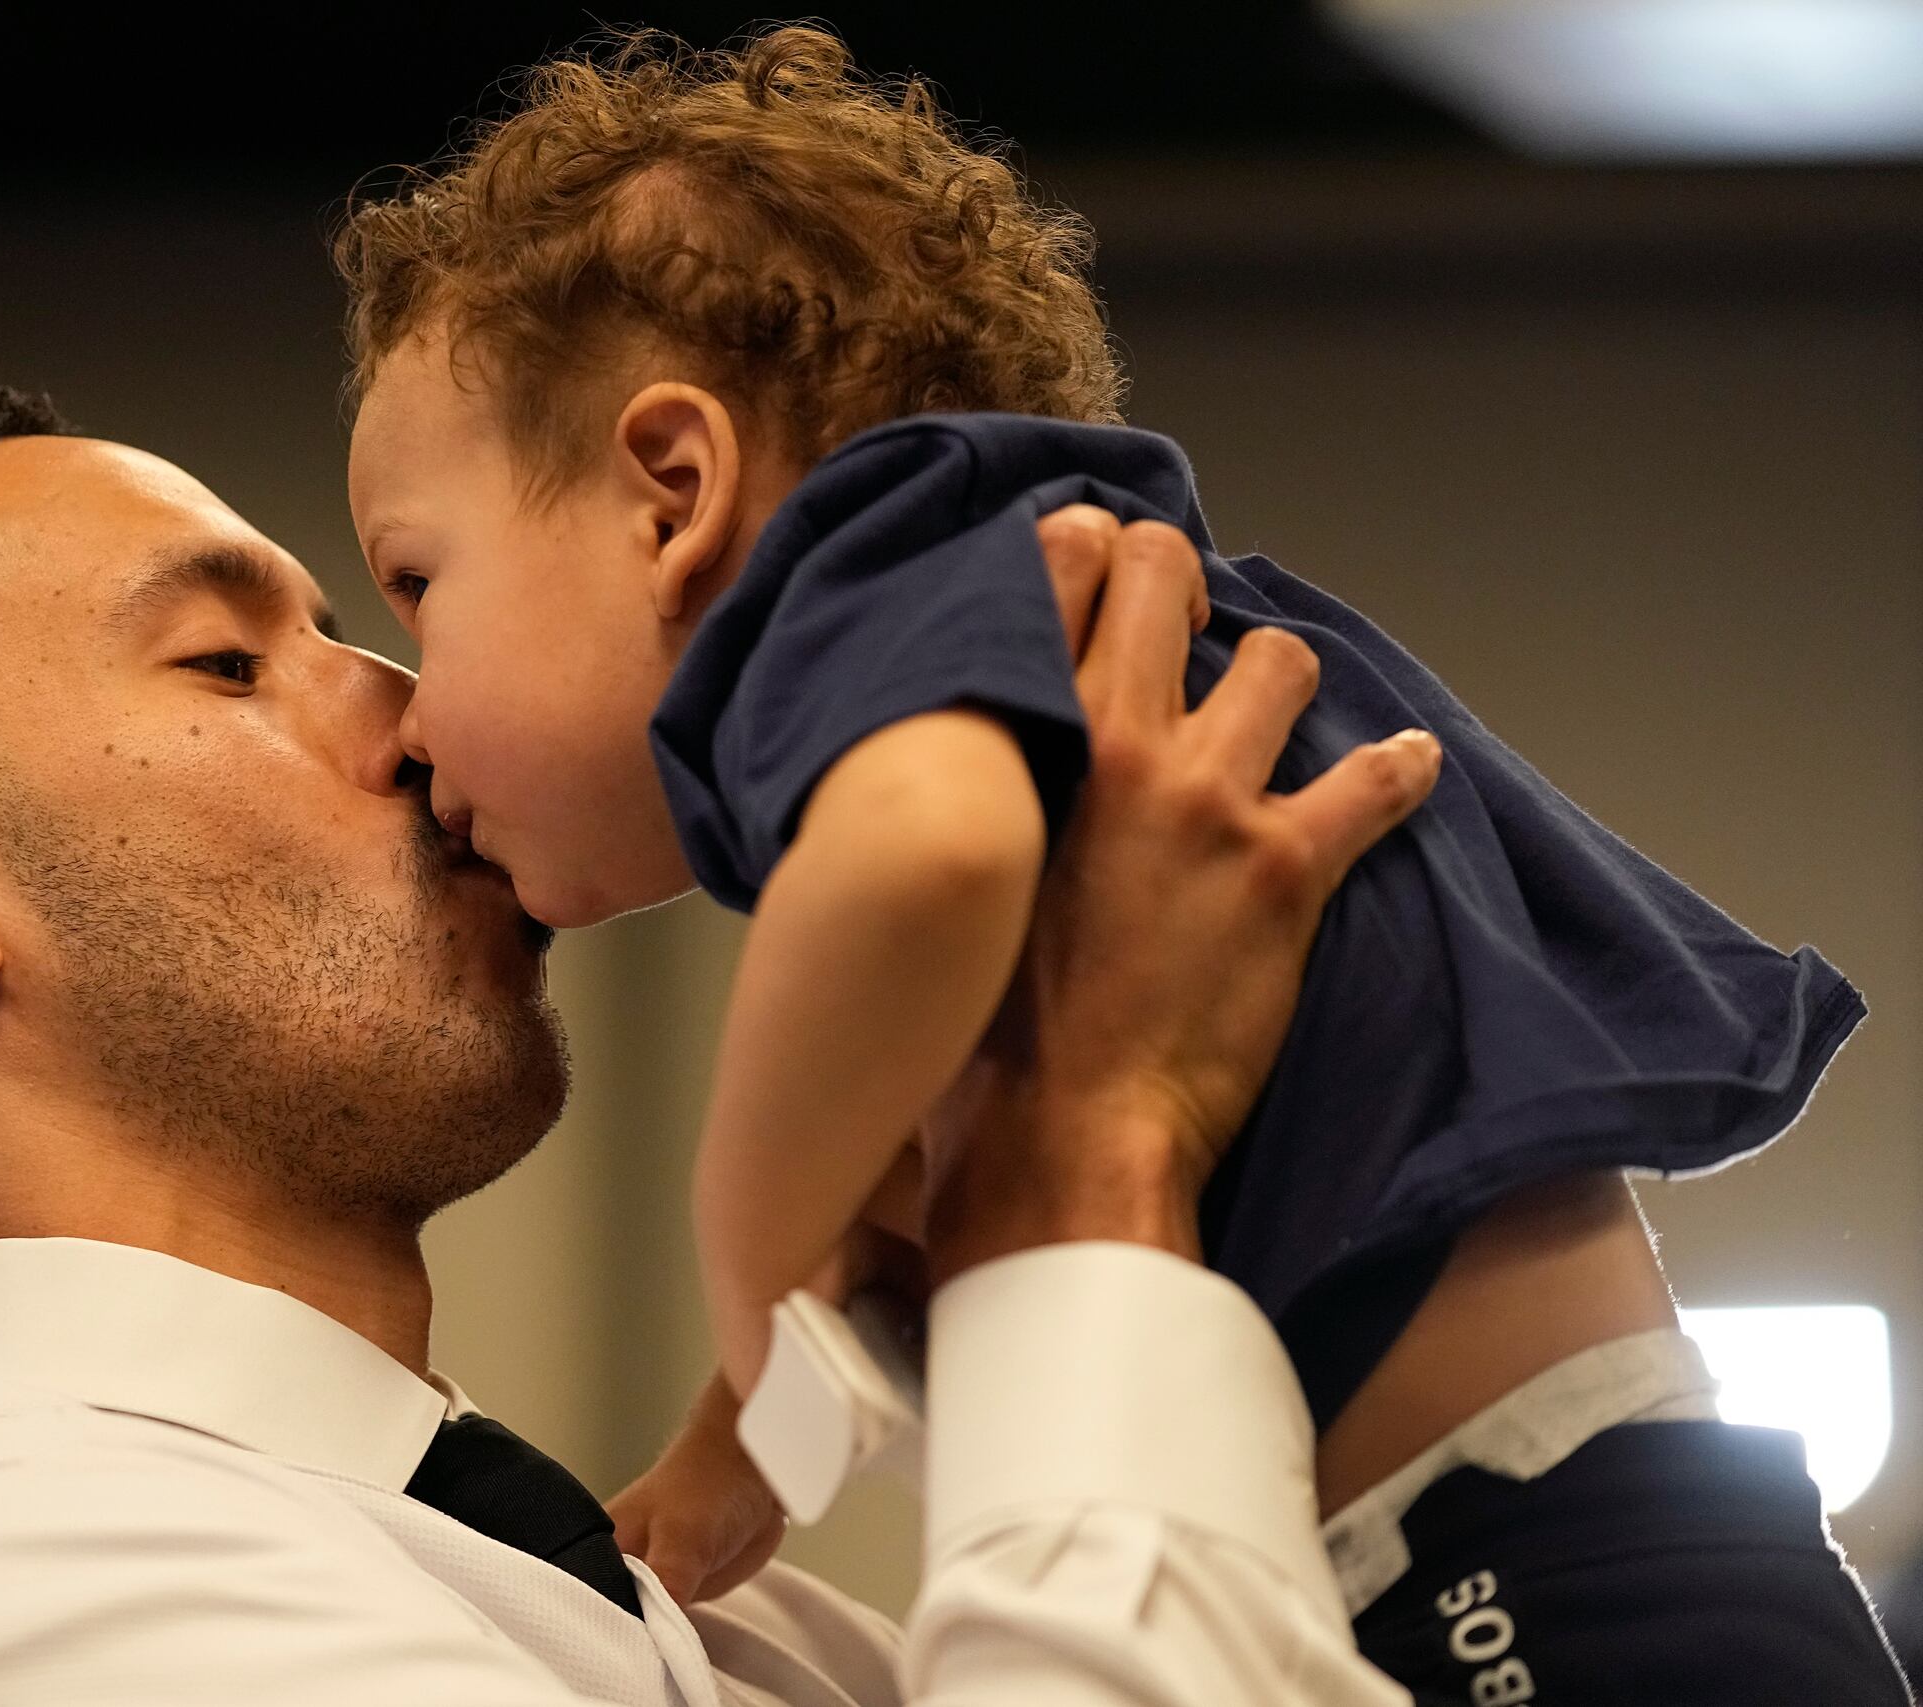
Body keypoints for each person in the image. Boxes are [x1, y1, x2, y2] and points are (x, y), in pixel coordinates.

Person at [334, 26, 1908, 1703]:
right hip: (1582, 1540)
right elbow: (911, 1177)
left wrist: (744, 1255)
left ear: (673, 489)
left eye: (417, 585)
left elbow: (924, 864)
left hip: (1529, 1577)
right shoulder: (994, 623)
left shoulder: (865, 585)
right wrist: (748, 1440)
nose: (411, 717)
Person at [0, 388, 1437, 1705]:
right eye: (229, 662)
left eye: (371, 621)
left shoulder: (684, 1617)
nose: (423, 713)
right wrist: (1091, 1153)